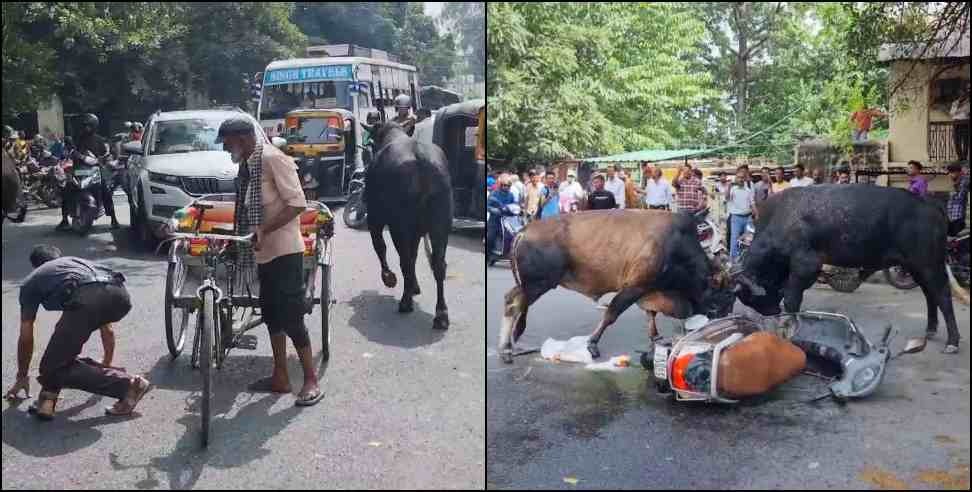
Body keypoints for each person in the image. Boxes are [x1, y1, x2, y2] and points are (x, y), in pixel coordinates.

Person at [216, 117, 322, 406]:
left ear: (242, 138)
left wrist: (265, 229)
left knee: (291, 315)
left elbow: (297, 203)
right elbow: (246, 210)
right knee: (271, 314)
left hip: (285, 250)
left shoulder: (275, 159)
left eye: (227, 142)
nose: (226, 148)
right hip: (262, 252)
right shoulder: (248, 166)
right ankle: (280, 375)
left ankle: (310, 379)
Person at [4, 245, 151, 419]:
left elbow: (26, 336)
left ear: (36, 266)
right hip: (120, 295)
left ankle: (128, 386)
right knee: (57, 357)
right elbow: (107, 328)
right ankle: (47, 402)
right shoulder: (74, 266)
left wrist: (22, 375)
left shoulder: (34, 280)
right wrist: (106, 361)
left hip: (87, 299)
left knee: (51, 367)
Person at [57, 113, 119, 231]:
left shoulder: (99, 140)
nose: (86, 128)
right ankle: (64, 220)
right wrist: (70, 153)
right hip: (78, 171)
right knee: (66, 191)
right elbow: (69, 151)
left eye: (89, 126)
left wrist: (106, 159)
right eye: (84, 125)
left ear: (94, 126)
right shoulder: (76, 139)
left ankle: (114, 219)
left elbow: (105, 155)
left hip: (94, 171)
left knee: (106, 190)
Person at [726, 166, 755, 261]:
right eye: (738, 177)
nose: (741, 179)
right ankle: (733, 260)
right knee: (734, 239)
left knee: (747, 239)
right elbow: (727, 198)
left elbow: (752, 204)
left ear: (745, 178)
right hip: (736, 218)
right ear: (736, 179)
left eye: (742, 177)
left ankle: (744, 259)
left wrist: (757, 214)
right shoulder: (733, 189)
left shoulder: (748, 190)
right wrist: (729, 187)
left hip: (748, 218)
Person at [486, 176, 517, 263]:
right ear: (501, 185)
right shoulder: (494, 194)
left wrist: (517, 210)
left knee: (511, 236)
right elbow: (488, 206)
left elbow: (513, 205)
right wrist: (494, 210)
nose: (506, 187)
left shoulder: (511, 195)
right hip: (495, 220)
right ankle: (488, 254)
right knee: (490, 237)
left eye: (508, 185)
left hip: (507, 221)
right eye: (504, 185)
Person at [945, 163, 969, 237]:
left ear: (958, 172)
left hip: (958, 217)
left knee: (956, 240)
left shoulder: (964, 182)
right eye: (949, 172)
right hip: (949, 216)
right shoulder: (952, 181)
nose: (950, 174)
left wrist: (953, 187)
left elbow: (959, 198)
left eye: (952, 172)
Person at [951, 82, 970, 163]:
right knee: (956, 140)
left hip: (965, 122)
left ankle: (964, 158)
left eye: (962, 95)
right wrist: (958, 108)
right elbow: (951, 113)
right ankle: (960, 157)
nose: (961, 96)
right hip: (956, 122)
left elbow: (967, 112)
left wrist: (958, 111)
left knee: (966, 141)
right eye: (960, 95)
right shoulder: (955, 103)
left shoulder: (968, 103)